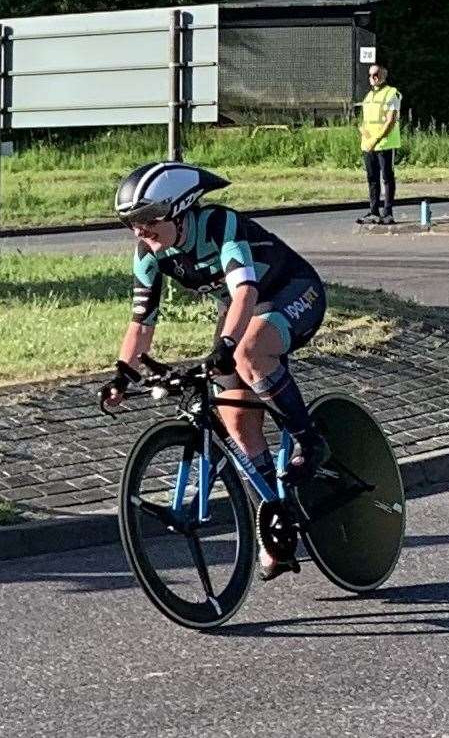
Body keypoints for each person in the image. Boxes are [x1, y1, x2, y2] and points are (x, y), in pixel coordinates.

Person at [98, 161, 329, 581]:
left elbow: (245, 291)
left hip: (291, 291)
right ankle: (274, 519)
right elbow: (141, 322)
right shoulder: (148, 253)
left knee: (248, 355)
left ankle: (309, 441)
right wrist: (122, 375)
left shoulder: (221, 224)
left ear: (180, 209)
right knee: (238, 425)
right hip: (241, 311)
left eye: (147, 220)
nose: (140, 231)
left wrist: (225, 346)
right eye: (130, 223)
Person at [358, 63, 402, 225]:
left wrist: (376, 139)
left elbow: (390, 121)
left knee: (387, 177)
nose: (372, 78)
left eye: (375, 74)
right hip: (368, 145)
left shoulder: (392, 93)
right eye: (370, 75)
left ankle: (388, 212)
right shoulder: (369, 96)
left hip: (384, 144)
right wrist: (364, 133)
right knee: (372, 178)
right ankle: (373, 211)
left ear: (382, 76)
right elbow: (367, 120)